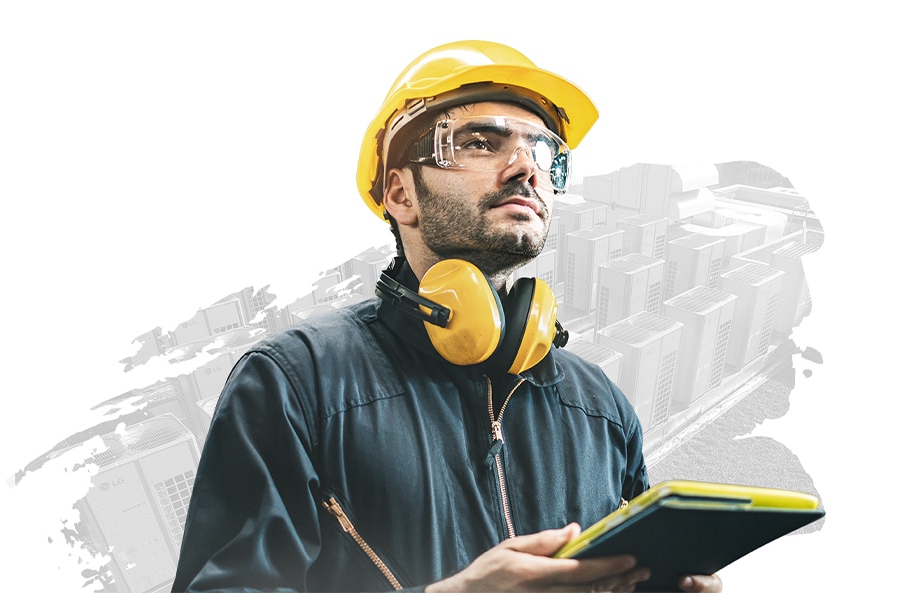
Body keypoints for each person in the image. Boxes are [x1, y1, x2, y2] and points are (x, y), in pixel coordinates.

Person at [170, 40, 723, 593]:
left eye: (543, 152)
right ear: (400, 193)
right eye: (483, 142)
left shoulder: (600, 405)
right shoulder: (294, 382)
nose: (526, 168)